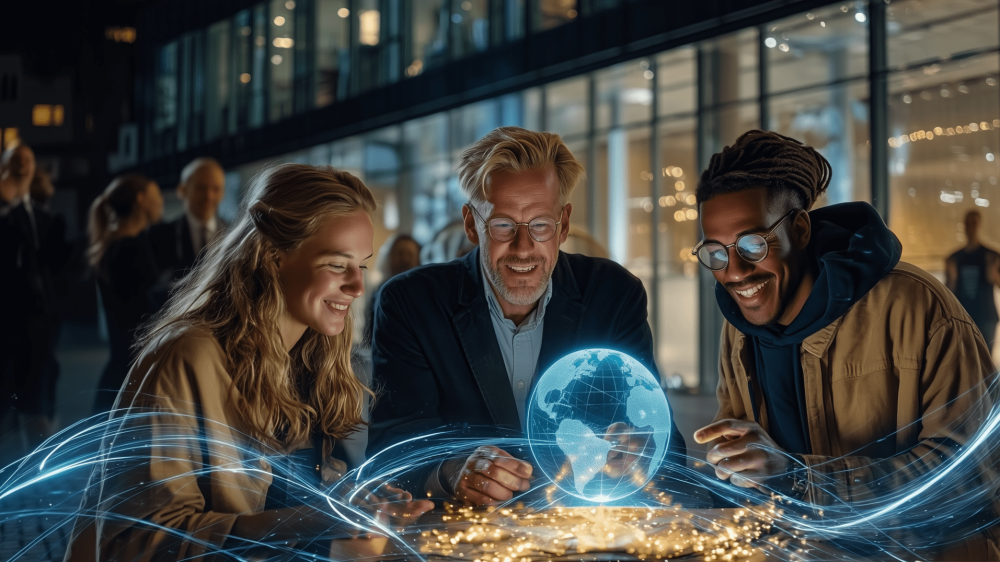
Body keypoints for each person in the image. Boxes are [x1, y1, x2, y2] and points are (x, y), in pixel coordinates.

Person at [65, 164, 432, 561]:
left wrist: (352, 499)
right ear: (274, 258)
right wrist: (318, 518)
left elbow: (286, 496)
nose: (358, 286)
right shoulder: (188, 356)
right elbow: (134, 543)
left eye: (360, 265)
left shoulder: (316, 356)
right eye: (336, 264)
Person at [691, 130, 998, 558]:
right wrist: (735, 469)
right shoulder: (739, 326)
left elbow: (970, 476)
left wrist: (801, 478)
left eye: (752, 244)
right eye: (716, 252)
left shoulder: (916, 306)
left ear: (799, 228)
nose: (735, 271)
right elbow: (753, 472)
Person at [368, 126, 686, 507]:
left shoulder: (613, 294)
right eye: (503, 225)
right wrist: (451, 474)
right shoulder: (411, 303)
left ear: (563, 225)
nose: (523, 248)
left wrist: (642, 448)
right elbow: (390, 453)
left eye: (540, 225)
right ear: (472, 224)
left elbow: (666, 445)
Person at [88, 175, 164, 415]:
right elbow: (149, 309)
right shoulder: (132, 248)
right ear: (141, 200)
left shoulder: (112, 244)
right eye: (156, 195)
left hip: (120, 362)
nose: (161, 201)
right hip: (134, 366)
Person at [0, 143, 59, 449]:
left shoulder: (40, 214)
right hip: (7, 318)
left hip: (38, 322)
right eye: (15, 159)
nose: (22, 163)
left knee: (36, 396)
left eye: (28, 159)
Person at [148, 157, 227, 293]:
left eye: (216, 188)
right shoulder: (159, 236)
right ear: (182, 190)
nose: (209, 196)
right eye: (201, 188)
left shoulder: (233, 233)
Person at [947, 209, 1000, 350]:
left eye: (974, 223)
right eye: (968, 223)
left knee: (986, 364)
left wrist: (993, 275)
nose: (971, 227)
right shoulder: (954, 258)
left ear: (979, 225)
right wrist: (952, 278)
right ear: (964, 225)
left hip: (986, 316)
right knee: (965, 360)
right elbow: (947, 292)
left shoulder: (991, 256)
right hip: (962, 316)